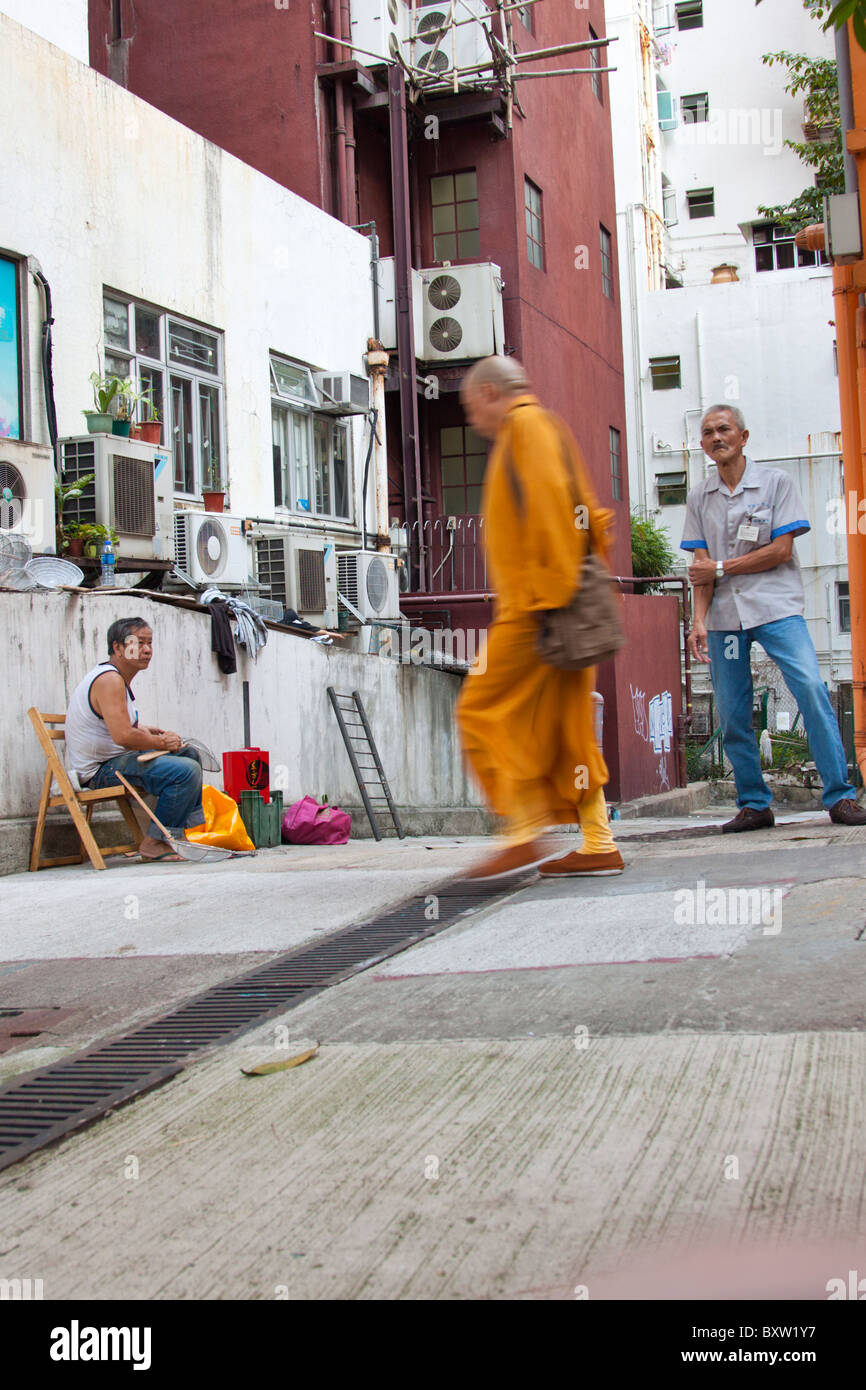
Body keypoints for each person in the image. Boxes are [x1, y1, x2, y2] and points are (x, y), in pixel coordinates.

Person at [456, 355, 624, 879]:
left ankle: (524, 829)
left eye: (470, 408)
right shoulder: (544, 425)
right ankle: (598, 842)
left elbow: (556, 511)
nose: (471, 421)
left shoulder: (526, 427)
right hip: (562, 607)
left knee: (480, 710)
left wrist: (551, 602)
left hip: (540, 610)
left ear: (488, 393)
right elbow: (588, 515)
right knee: (567, 730)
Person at [682, 404, 866, 831]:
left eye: (724, 429)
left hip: (777, 608)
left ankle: (840, 797)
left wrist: (723, 569)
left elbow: (780, 551)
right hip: (727, 619)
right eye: (707, 432)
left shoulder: (776, 484)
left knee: (810, 690)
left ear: (743, 437)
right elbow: (700, 567)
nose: (715, 437)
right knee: (731, 711)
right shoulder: (699, 497)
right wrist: (699, 621)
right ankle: (754, 804)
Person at [64, 617, 205, 862]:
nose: (147, 649)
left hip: (116, 761)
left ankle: (177, 835)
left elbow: (121, 728)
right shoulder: (109, 680)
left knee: (189, 754)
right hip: (99, 772)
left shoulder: (118, 679)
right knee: (186, 771)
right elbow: (123, 736)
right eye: (138, 643)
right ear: (118, 647)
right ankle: (154, 843)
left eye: (149, 643)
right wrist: (161, 743)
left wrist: (147, 732)